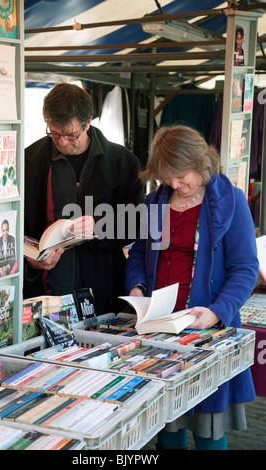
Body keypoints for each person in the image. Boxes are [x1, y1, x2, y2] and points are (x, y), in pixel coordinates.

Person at [125, 125, 259, 450]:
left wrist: (216, 312)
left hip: (206, 330)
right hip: (159, 328)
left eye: (181, 176)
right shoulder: (155, 201)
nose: (174, 184)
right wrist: (137, 288)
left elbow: (245, 269)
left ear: (200, 163)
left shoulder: (230, 200)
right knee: (168, 424)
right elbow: (139, 255)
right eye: (167, 177)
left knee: (207, 427)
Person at [24, 82, 144, 316]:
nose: (61, 142)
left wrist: (99, 226)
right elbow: (14, 226)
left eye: (70, 134)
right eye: (53, 132)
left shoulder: (123, 162)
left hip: (103, 292)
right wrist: (31, 262)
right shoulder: (29, 160)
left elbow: (137, 223)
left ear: (88, 121)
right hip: (46, 293)